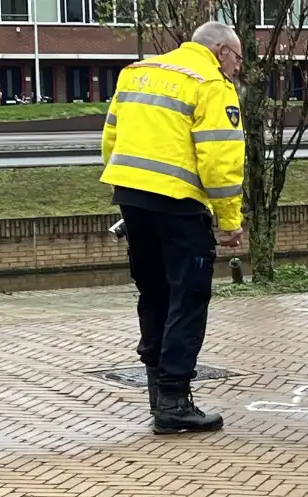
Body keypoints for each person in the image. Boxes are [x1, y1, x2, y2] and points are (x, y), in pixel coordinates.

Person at [100, 21, 245, 435]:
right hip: (179, 206)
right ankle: (175, 401)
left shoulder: (137, 73)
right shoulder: (210, 84)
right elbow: (220, 159)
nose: (237, 68)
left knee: (154, 293)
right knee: (188, 297)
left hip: (132, 199)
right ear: (220, 51)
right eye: (236, 58)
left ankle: (157, 391)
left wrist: (129, 191)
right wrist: (230, 221)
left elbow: (110, 140)